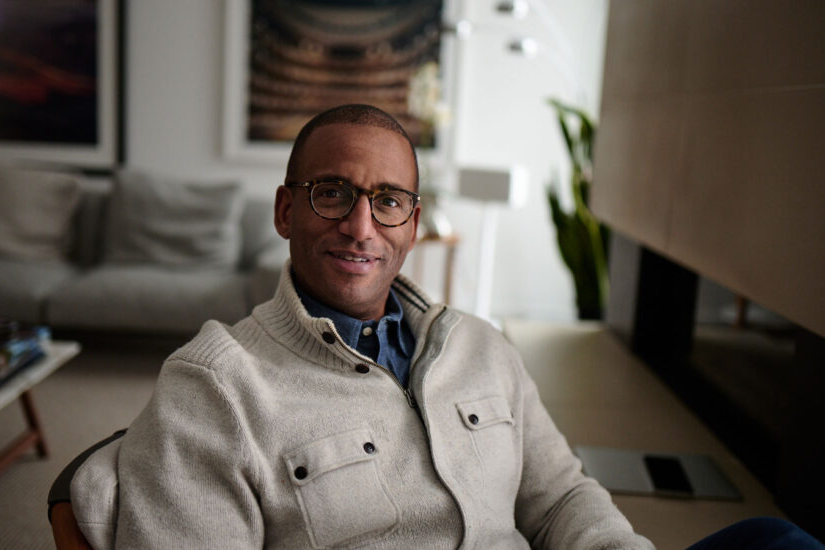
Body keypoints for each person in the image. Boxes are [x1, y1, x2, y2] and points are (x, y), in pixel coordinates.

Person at [82, 105, 822, 550]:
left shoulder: (480, 347)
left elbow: (561, 496)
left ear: (414, 223)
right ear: (285, 211)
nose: (360, 225)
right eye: (331, 193)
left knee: (777, 540)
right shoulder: (213, 386)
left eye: (388, 200)